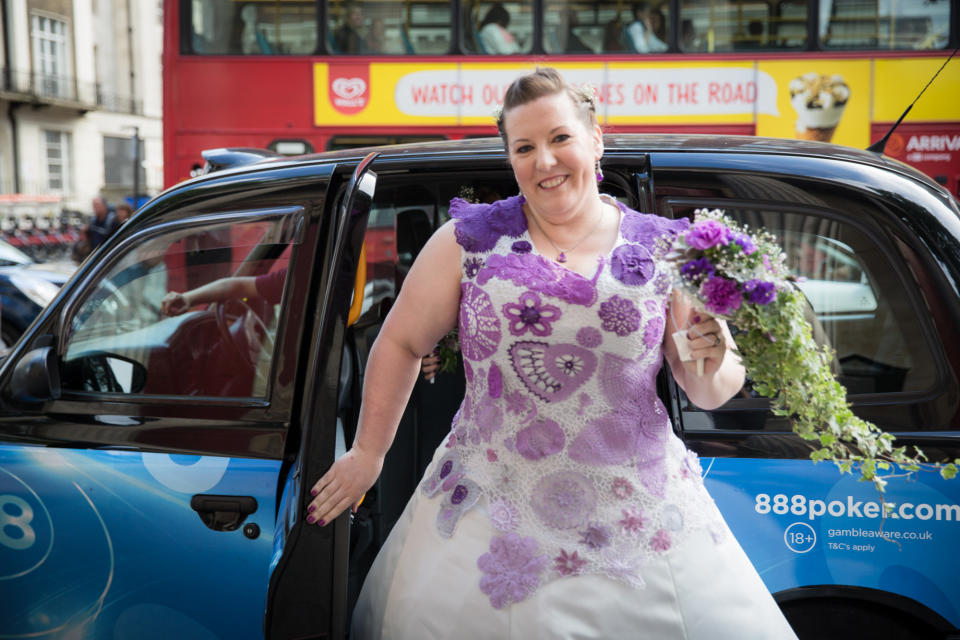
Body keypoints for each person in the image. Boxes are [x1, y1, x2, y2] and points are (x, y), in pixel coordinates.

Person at [308, 67, 798, 638]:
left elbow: (707, 387)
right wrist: (369, 453)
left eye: (560, 138)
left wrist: (714, 361)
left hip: (637, 510)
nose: (544, 160)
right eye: (525, 147)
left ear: (596, 141)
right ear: (510, 159)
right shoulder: (468, 244)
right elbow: (400, 340)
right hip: (490, 511)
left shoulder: (664, 249)